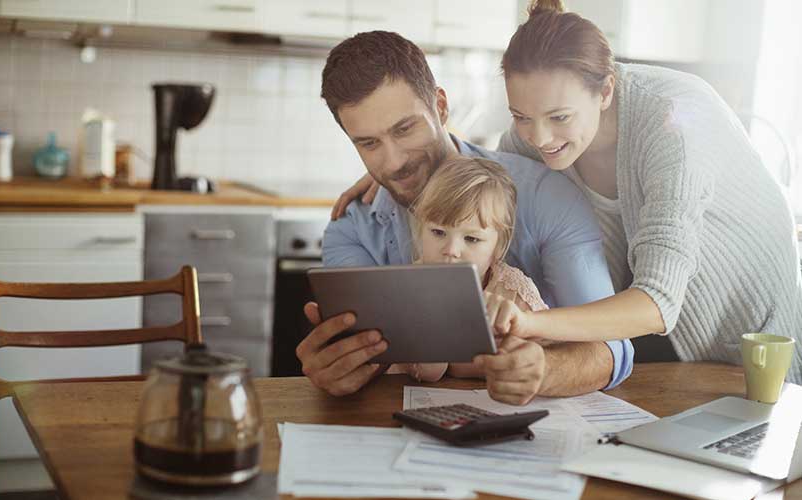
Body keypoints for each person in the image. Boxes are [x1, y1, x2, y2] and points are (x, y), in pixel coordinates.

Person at [337, 2, 802, 383]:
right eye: (521, 116)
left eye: (559, 117)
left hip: (754, 332)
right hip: (652, 343)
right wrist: (399, 169)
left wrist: (529, 324)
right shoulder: (529, 142)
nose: (539, 139)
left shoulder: (674, 120)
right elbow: (484, 184)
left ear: (605, 92)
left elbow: (659, 301)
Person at [295, 30, 634, 405]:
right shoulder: (351, 228)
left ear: (440, 107)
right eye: (368, 143)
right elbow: (368, 357)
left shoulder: (545, 196)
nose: (393, 162)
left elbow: (610, 350)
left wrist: (544, 370)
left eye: (405, 129)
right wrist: (340, 367)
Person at [389, 156, 550, 383]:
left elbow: (547, 355)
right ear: (420, 231)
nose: (452, 250)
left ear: (498, 247)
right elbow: (427, 372)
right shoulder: (405, 287)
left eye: (472, 239)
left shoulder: (513, 292)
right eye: (438, 232)